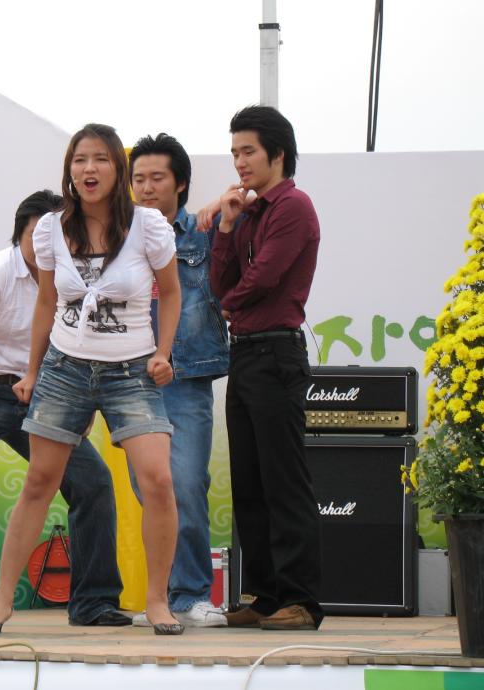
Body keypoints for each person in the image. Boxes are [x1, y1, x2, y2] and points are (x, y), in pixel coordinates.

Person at [0, 123, 184, 635]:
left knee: (157, 479)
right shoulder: (51, 228)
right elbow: (47, 301)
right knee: (40, 481)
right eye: (80, 160)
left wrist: (163, 353)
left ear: (118, 169)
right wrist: (32, 370)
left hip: (131, 369)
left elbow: (172, 292)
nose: (89, 169)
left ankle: (158, 602)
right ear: (69, 169)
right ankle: (0, 602)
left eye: (100, 159)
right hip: (65, 367)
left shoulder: (148, 226)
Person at [0, 190, 128, 627]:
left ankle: (94, 603)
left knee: (93, 481)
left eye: (55, 234)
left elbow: (88, 346)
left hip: (46, 392)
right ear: (20, 233)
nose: (45, 243)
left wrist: (81, 408)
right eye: (37, 234)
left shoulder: (76, 279)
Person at [209, 106, 323, 631]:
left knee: (284, 481)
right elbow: (222, 279)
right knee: (250, 482)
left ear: (277, 153)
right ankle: (265, 594)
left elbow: (264, 277)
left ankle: (301, 599)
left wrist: (228, 305)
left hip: (276, 353)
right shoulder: (250, 212)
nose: (239, 162)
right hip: (246, 354)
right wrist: (227, 224)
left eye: (248, 151)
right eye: (234, 153)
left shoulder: (294, 206)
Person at [128, 133, 229, 629]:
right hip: (130, 381)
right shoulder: (120, 238)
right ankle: (161, 599)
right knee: (149, 489)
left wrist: (225, 205)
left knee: (185, 482)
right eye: (138, 179)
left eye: (157, 178)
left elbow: (247, 210)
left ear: (181, 183)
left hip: (186, 376)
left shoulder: (204, 234)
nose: (146, 188)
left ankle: (191, 594)